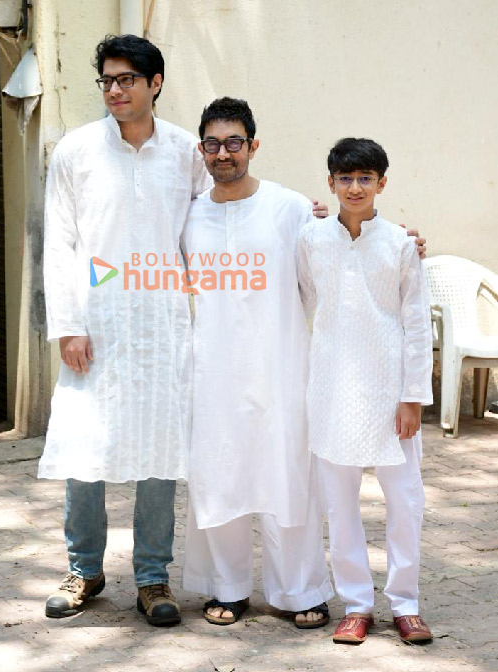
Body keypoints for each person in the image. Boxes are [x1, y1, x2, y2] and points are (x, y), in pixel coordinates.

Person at [39, 34, 211, 625]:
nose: (114, 90)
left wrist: (309, 221)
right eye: (107, 81)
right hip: (98, 323)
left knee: (160, 449)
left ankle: (153, 578)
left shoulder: (187, 153)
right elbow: (59, 244)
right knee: (86, 448)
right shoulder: (77, 150)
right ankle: (84, 569)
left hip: (164, 327)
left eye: (126, 80)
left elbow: (221, 222)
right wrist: (67, 325)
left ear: (154, 83)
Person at [181, 97, 335, 628]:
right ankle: (226, 586)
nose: (223, 153)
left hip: (280, 366)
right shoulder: (189, 214)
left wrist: (396, 240)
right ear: (201, 148)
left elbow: (324, 274)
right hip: (213, 370)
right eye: (213, 143)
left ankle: (300, 590)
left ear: (253, 145)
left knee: (286, 475)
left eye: (234, 142)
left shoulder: (291, 207)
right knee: (219, 471)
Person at [298, 138, 433, 644]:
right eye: (345, 178)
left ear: (382, 183)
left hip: (390, 394)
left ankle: (406, 603)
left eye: (365, 178)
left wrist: (413, 396)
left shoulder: (399, 243)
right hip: (332, 392)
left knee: (404, 503)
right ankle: (356, 604)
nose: (355, 187)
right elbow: (300, 302)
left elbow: (417, 325)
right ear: (330, 183)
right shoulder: (311, 241)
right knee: (340, 505)